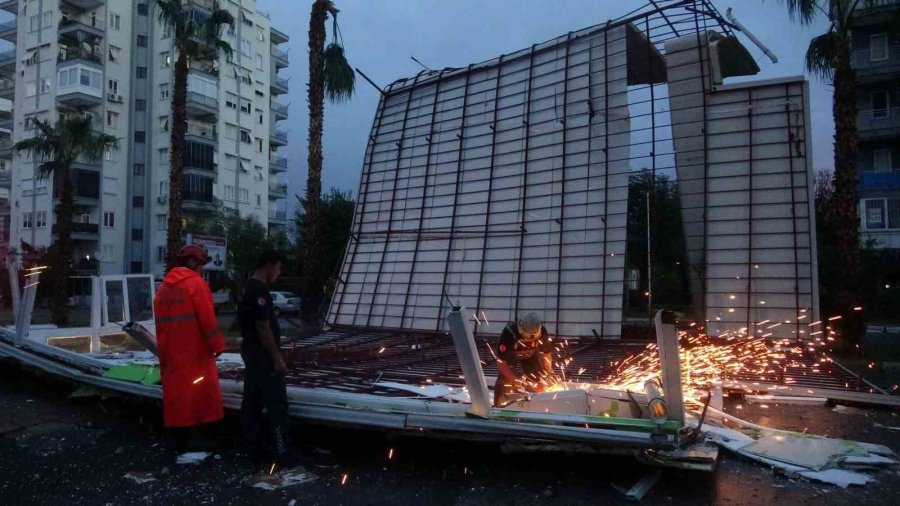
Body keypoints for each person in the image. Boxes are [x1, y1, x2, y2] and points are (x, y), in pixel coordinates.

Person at [154, 245, 225, 452]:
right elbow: (208, 320)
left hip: (171, 354)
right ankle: (205, 440)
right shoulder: (196, 285)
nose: (202, 268)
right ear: (194, 262)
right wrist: (217, 345)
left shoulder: (164, 289)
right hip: (195, 355)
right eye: (201, 264)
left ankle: (178, 442)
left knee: (177, 398)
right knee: (202, 396)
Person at [238, 251, 293, 466]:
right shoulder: (259, 291)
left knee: (252, 401)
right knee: (277, 405)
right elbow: (263, 327)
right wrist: (277, 358)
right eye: (278, 268)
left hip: (251, 353)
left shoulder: (246, 287)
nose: (278, 274)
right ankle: (283, 452)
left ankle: (253, 450)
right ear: (268, 265)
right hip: (263, 357)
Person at [493, 312, 555, 407]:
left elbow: (546, 356)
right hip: (510, 356)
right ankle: (499, 406)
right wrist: (517, 380)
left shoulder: (542, 331)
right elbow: (501, 363)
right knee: (505, 382)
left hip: (531, 356)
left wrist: (548, 374)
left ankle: (534, 406)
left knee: (537, 381)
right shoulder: (509, 332)